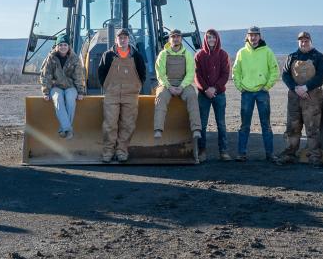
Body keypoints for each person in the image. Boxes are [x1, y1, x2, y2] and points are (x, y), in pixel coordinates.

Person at [97, 28, 147, 163]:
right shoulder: (108, 55)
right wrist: (107, 87)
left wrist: (137, 86)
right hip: (112, 94)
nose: (122, 39)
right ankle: (108, 151)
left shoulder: (136, 55)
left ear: (128, 39)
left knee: (128, 124)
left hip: (130, 94)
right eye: (120, 37)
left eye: (125, 37)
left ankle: (122, 151)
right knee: (110, 124)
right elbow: (101, 72)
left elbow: (142, 73)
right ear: (116, 40)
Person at [279, 31, 323, 167]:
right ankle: (289, 154)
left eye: (306, 41)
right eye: (301, 41)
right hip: (294, 97)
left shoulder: (318, 57)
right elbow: (285, 75)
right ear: (298, 42)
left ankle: (315, 157)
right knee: (293, 127)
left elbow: (321, 76)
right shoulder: (292, 56)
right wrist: (296, 88)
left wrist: (306, 88)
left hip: (312, 97)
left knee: (312, 128)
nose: (304, 43)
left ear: (310, 41)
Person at [232, 26, 279, 162]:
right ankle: (241, 153)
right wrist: (240, 87)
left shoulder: (267, 52)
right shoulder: (241, 53)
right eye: (251, 35)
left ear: (260, 36)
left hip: (262, 93)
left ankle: (269, 154)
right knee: (245, 125)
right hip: (247, 93)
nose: (253, 37)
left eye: (256, 35)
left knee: (266, 124)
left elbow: (274, 70)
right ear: (247, 36)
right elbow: (236, 71)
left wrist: (267, 86)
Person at [154, 29, 203, 147]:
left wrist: (181, 86)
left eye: (178, 37)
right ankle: (158, 129)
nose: (175, 39)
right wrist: (169, 87)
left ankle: (196, 129)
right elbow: (160, 73)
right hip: (167, 84)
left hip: (183, 84)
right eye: (173, 37)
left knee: (192, 95)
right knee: (160, 96)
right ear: (170, 39)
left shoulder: (187, 53)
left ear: (181, 38)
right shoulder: (163, 54)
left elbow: (190, 73)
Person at [39, 34, 86, 139]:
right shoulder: (51, 58)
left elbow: (78, 76)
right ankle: (68, 129)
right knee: (57, 98)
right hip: (56, 86)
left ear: (69, 46)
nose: (63, 47)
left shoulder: (75, 59)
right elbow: (45, 75)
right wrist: (46, 92)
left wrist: (80, 92)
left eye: (65, 44)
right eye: (61, 45)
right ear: (57, 46)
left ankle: (63, 129)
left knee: (70, 99)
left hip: (70, 86)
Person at [194, 28, 231, 161]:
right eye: (209, 37)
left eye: (213, 37)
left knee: (221, 123)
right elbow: (196, 75)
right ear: (205, 39)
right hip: (203, 95)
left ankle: (224, 151)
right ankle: (202, 151)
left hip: (219, 94)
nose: (211, 40)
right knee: (202, 124)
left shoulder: (223, 55)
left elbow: (225, 74)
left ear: (217, 39)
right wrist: (205, 89)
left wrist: (214, 88)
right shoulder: (199, 56)